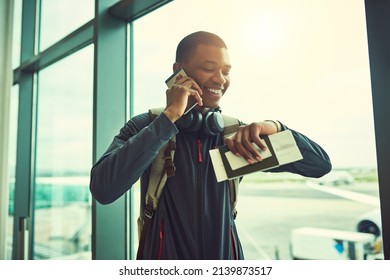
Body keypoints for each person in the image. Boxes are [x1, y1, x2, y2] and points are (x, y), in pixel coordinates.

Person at [89, 31, 332, 260]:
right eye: (208, 69)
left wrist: (276, 127)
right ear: (179, 71)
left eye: (226, 71)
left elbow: (319, 164)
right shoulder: (147, 127)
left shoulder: (234, 135)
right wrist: (169, 118)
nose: (220, 79)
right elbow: (103, 188)